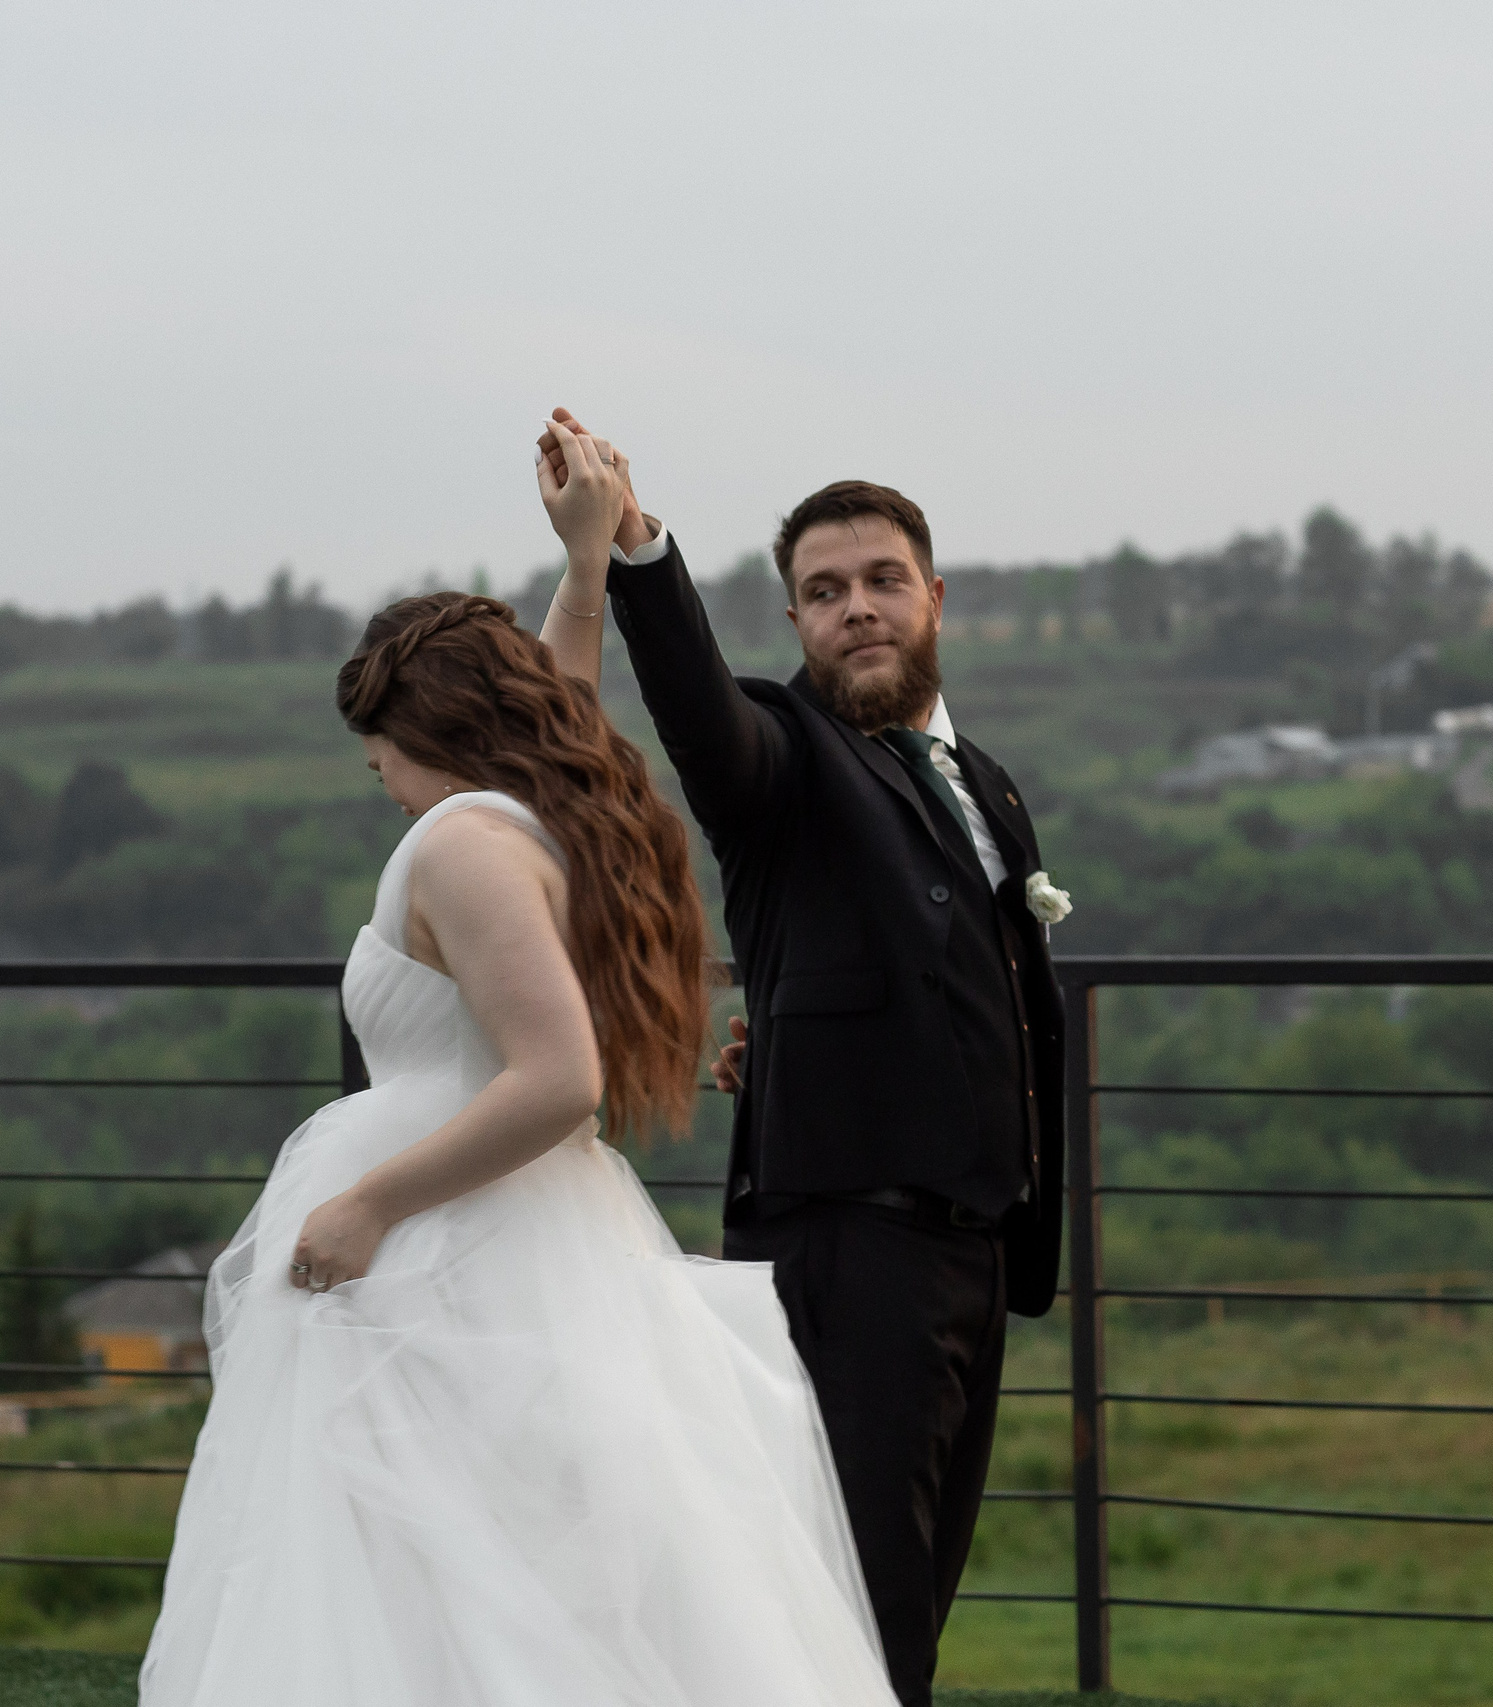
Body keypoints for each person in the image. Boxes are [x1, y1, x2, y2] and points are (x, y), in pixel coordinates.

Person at [139, 432, 898, 1706]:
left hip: (444, 1250)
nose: (374, 775)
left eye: (373, 743)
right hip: (521, 1240)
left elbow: (558, 1079)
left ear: (420, 727)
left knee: (441, 1581)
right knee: (518, 1568)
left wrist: (365, 1205)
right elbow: (565, 691)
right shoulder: (548, 814)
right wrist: (586, 562)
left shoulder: (463, 846)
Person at [537, 408, 1069, 1707]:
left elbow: (953, 980)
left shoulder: (985, 784)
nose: (859, 608)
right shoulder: (786, 761)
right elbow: (705, 724)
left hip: (975, 1256)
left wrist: (780, 1039)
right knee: (858, 1628)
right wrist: (637, 550)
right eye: (824, 592)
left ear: (933, 596)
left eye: (883, 579)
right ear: (796, 624)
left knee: (910, 1617)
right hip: (852, 1257)